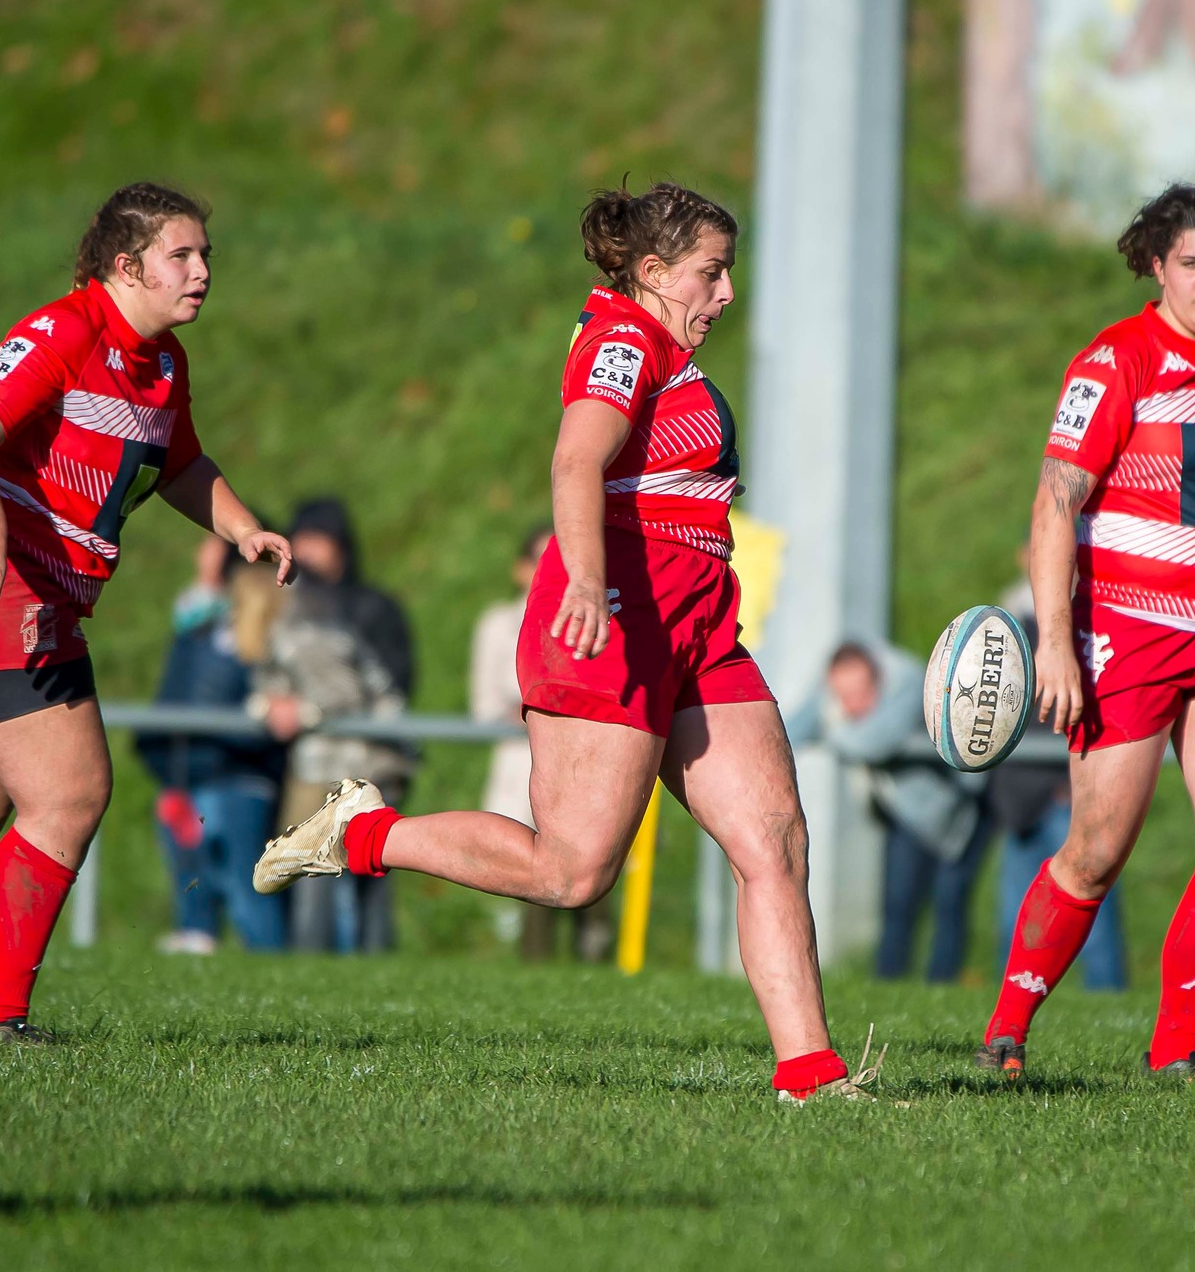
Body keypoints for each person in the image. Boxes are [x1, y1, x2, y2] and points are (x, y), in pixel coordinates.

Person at [256, 182, 880, 1103]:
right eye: (711, 273)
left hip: (697, 625)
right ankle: (363, 831)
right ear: (654, 271)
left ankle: (812, 1075)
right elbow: (575, 459)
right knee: (573, 870)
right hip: (613, 617)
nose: (726, 293)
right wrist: (587, 580)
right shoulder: (624, 339)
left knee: (775, 841)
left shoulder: (669, 350)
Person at [0, 183, 293, 1042]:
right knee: (71, 794)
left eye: (205, 256)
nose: (201, 271)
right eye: (181, 256)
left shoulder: (163, 363)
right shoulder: (66, 329)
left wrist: (242, 528)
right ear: (126, 266)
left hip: (5, 593)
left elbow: (181, 463)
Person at [972, 182, 1195, 1082]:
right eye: (1193, 263)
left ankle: (1175, 1050)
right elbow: (1055, 503)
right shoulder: (1115, 360)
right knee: (1096, 850)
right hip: (1127, 634)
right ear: (1158, 267)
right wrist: (1055, 639)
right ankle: (1007, 1027)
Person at [254, 498, 415, 953]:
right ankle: (309, 967)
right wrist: (269, 704)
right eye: (300, 539)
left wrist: (305, 711)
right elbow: (271, 675)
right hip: (314, 765)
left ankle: (375, 969)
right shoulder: (289, 608)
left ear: (340, 545)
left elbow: (386, 687)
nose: (306, 550)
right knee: (308, 874)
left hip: (372, 763)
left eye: (317, 538)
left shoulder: (372, 608)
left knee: (373, 870)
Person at [787, 641, 990, 983]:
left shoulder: (910, 682)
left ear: (878, 677)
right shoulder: (835, 695)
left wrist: (830, 730)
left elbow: (873, 741)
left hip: (960, 807)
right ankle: (889, 983)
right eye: (843, 696)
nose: (853, 705)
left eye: (861, 693)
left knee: (949, 903)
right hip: (908, 815)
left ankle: (943, 988)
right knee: (897, 904)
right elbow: (786, 731)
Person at [137, 535, 289, 953]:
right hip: (191, 771)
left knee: (244, 889)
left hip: (229, 774)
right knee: (208, 888)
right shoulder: (205, 623)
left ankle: (270, 965)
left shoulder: (247, 627)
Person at [471, 524, 613, 960]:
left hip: (587, 761)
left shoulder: (597, 615)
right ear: (520, 568)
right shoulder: (499, 623)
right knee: (536, 867)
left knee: (594, 870)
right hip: (523, 763)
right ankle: (535, 964)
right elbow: (485, 705)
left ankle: (595, 966)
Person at [986, 560, 1126, 991]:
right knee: (1015, 920)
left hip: (1064, 797)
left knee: (1092, 917)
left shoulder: (1092, 623)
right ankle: (1010, 1009)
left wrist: (1078, 779)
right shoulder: (1004, 627)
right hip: (1017, 802)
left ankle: (1106, 1000)